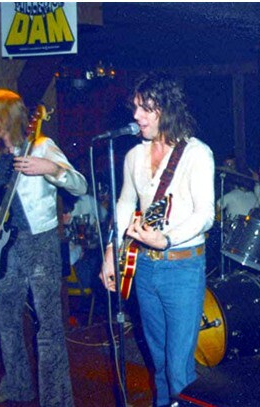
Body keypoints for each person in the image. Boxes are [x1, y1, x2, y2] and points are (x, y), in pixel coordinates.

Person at [99, 72, 215, 406]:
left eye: (144, 108)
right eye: (135, 107)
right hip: (145, 268)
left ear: (166, 109)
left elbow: (206, 214)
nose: (136, 116)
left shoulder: (196, 153)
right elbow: (125, 203)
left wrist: (166, 239)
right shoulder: (134, 156)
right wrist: (111, 250)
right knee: (159, 363)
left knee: (179, 369)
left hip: (182, 268)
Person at [0, 89, 87, 406]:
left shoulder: (42, 145)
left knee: (48, 327)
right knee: (7, 319)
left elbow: (79, 184)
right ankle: (17, 387)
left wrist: (50, 168)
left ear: (10, 115)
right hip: (8, 247)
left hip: (41, 243)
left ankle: (56, 399)